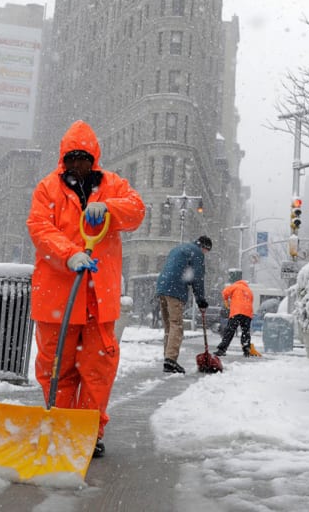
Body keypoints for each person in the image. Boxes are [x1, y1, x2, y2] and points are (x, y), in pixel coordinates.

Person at [27, 120, 145, 460]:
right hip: (57, 300)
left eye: (84, 158)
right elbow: (39, 228)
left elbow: (136, 211)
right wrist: (70, 254)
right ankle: (61, 427)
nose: (78, 164)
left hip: (98, 301)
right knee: (55, 369)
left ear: (94, 158)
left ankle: (87, 432)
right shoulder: (47, 189)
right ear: (64, 158)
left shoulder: (113, 185)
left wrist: (109, 208)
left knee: (97, 371)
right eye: (72, 158)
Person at [156, 235, 211, 374]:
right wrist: (201, 300)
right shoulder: (197, 253)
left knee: (169, 325)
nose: (205, 254)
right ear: (204, 247)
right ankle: (170, 360)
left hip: (162, 287)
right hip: (175, 289)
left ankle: (168, 357)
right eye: (206, 252)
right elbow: (197, 277)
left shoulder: (179, 248)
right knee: (176, 325)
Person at [215, 276, 254, 357]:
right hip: (247, 313)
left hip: (237, 311)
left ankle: (222, 349)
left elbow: (225, 292)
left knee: (230, 331)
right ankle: (246, 349)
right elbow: (251, 301)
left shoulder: (236, 286)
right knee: (245, 332)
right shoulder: (249, 290)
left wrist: (226, 301)